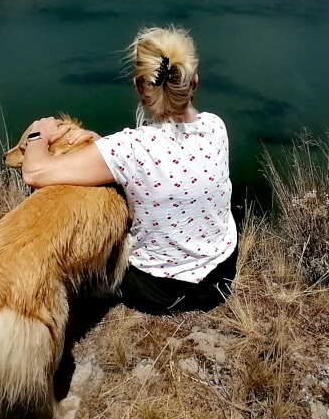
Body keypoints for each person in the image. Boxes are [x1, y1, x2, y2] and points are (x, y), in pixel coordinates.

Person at [20, 26, 238, 314]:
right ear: (193, 82)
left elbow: (34, 173)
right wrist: (100, 146)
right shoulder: (215, 126)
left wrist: (39, 133)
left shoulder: (129, 148)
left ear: (138, 86)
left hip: (159, 293)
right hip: (220, 279)